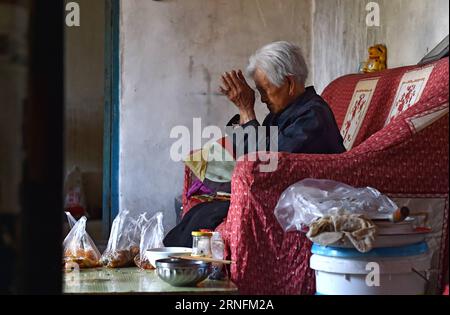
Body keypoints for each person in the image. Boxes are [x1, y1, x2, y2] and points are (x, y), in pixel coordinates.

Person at [164, 41, 345, 247]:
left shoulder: (313, 115)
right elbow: (245, 154)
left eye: (265, 90)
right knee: (201, 210)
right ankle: (169, 255)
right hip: (274, 192)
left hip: (300, 200)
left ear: (290, 83)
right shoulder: (281, 114)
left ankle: (178, 259)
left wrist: (247, 111)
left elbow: (268, 163)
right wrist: (243, 113)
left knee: (209, 214)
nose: (262, 99)